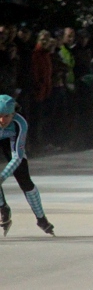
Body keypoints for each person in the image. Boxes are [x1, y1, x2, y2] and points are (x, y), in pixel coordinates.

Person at [0, 95, 54, 236]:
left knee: (25, 181)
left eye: (6, 116)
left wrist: (2, 177)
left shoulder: (20, 123)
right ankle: (3, 208)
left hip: (11, 142)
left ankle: (41, 219)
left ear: (13, 114)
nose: (2, 120)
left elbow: (17, 156)